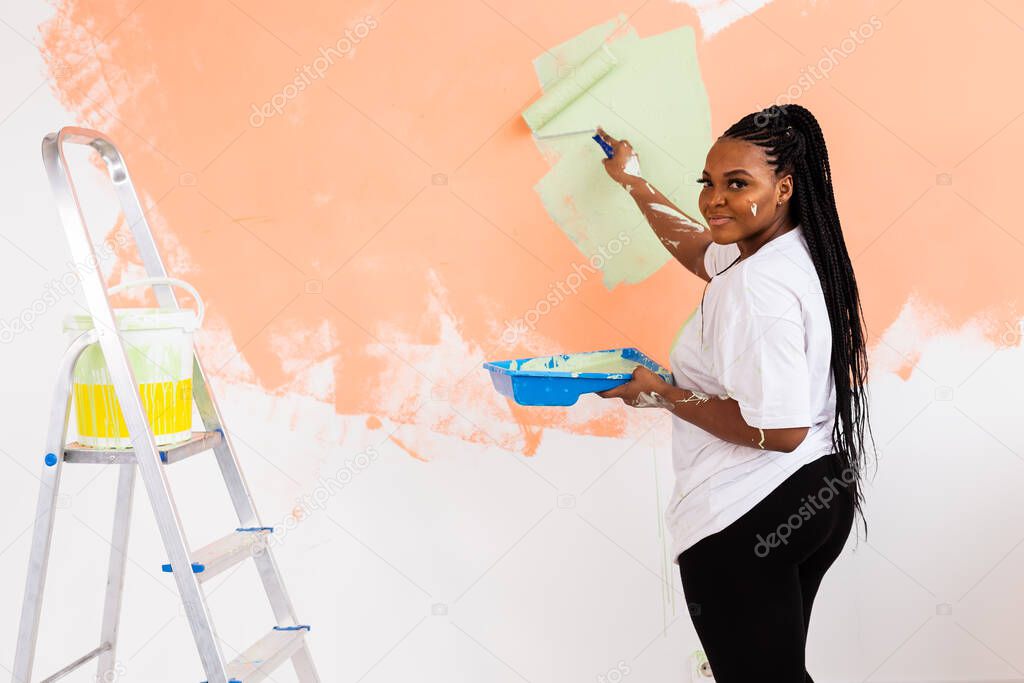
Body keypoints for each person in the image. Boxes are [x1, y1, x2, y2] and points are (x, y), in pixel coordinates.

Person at [595, 103, 875, 682]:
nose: (714, 199)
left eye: (737, 184)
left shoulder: (756, 286)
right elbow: (699, 250)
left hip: (748, 516)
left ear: (784, 187)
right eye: (709, 183)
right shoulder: (797, 249)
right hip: (816, 494)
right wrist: (633, 181)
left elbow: (779, 429)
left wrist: (663, 393)